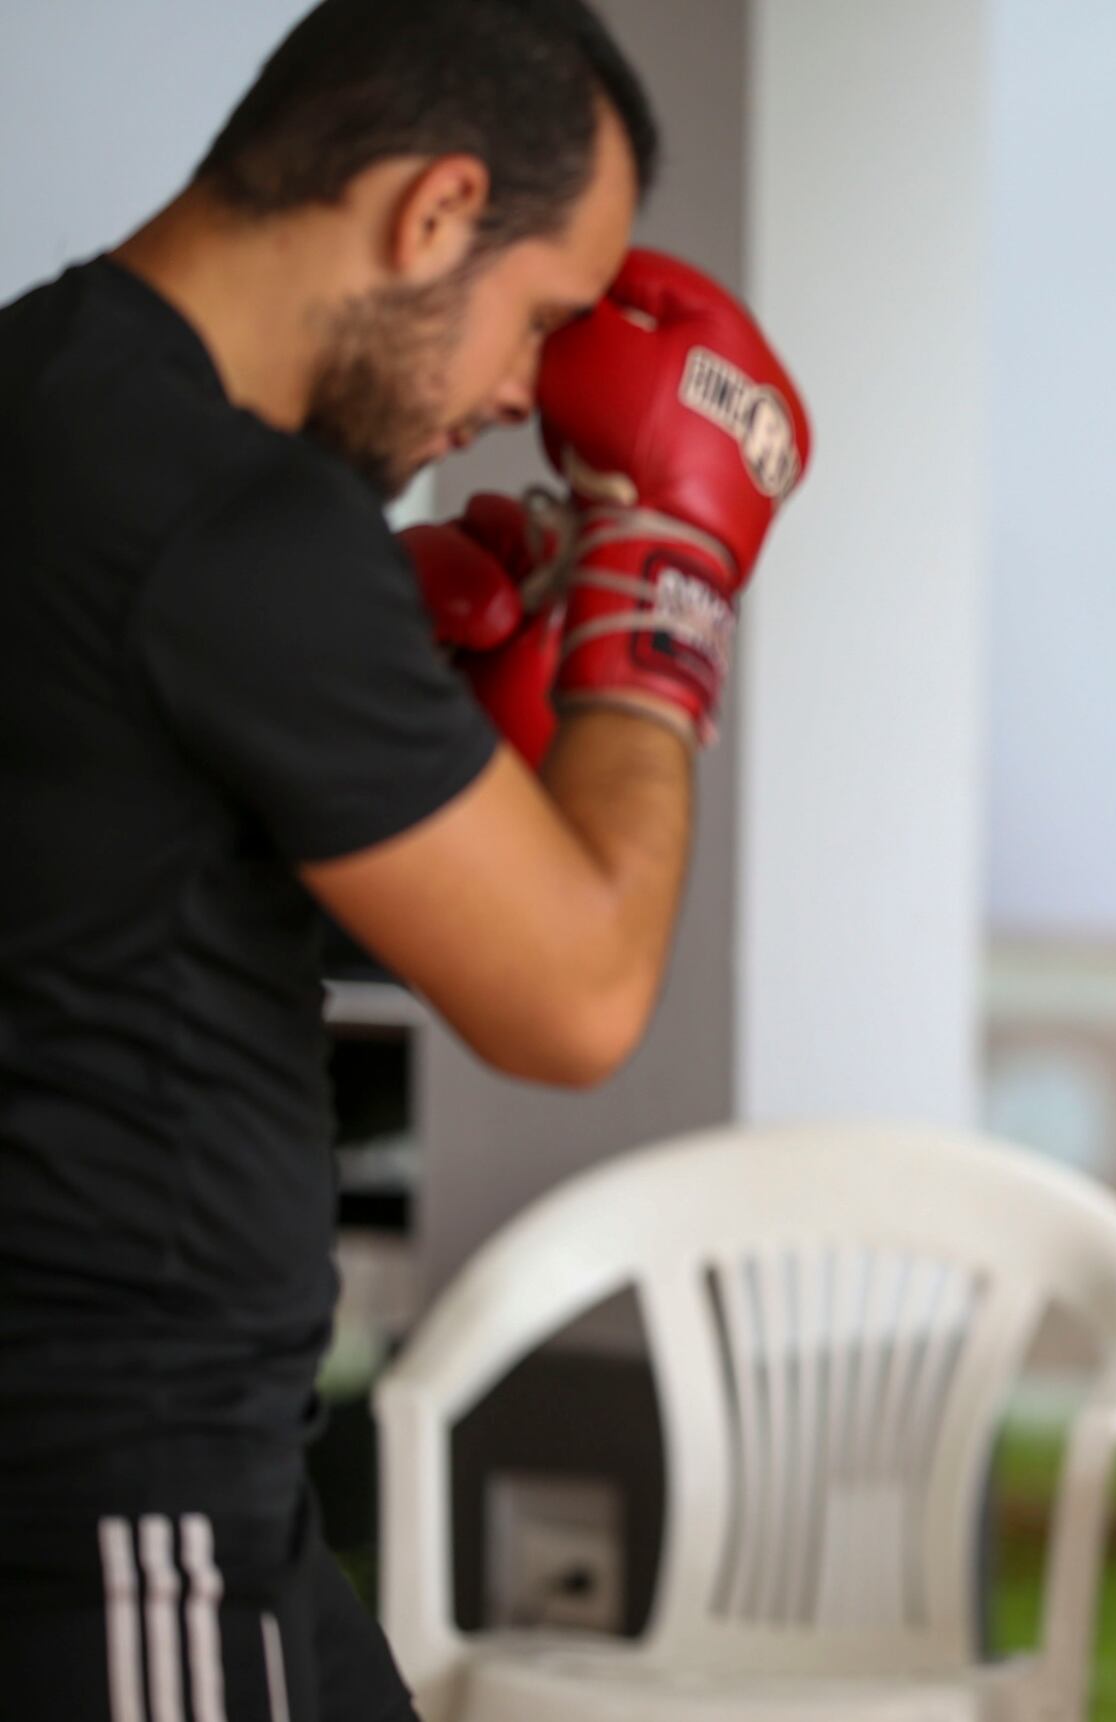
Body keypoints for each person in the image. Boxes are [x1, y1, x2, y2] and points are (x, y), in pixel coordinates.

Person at [0, 2, 807, 1716]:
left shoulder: (46, 402)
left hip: (178, 1482)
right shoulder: (239, 521)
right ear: (434, 210)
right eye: (541, 315)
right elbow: (579, 996)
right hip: (117, 1497)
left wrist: (408, 723)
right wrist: (664, 569)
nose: (530, 389)